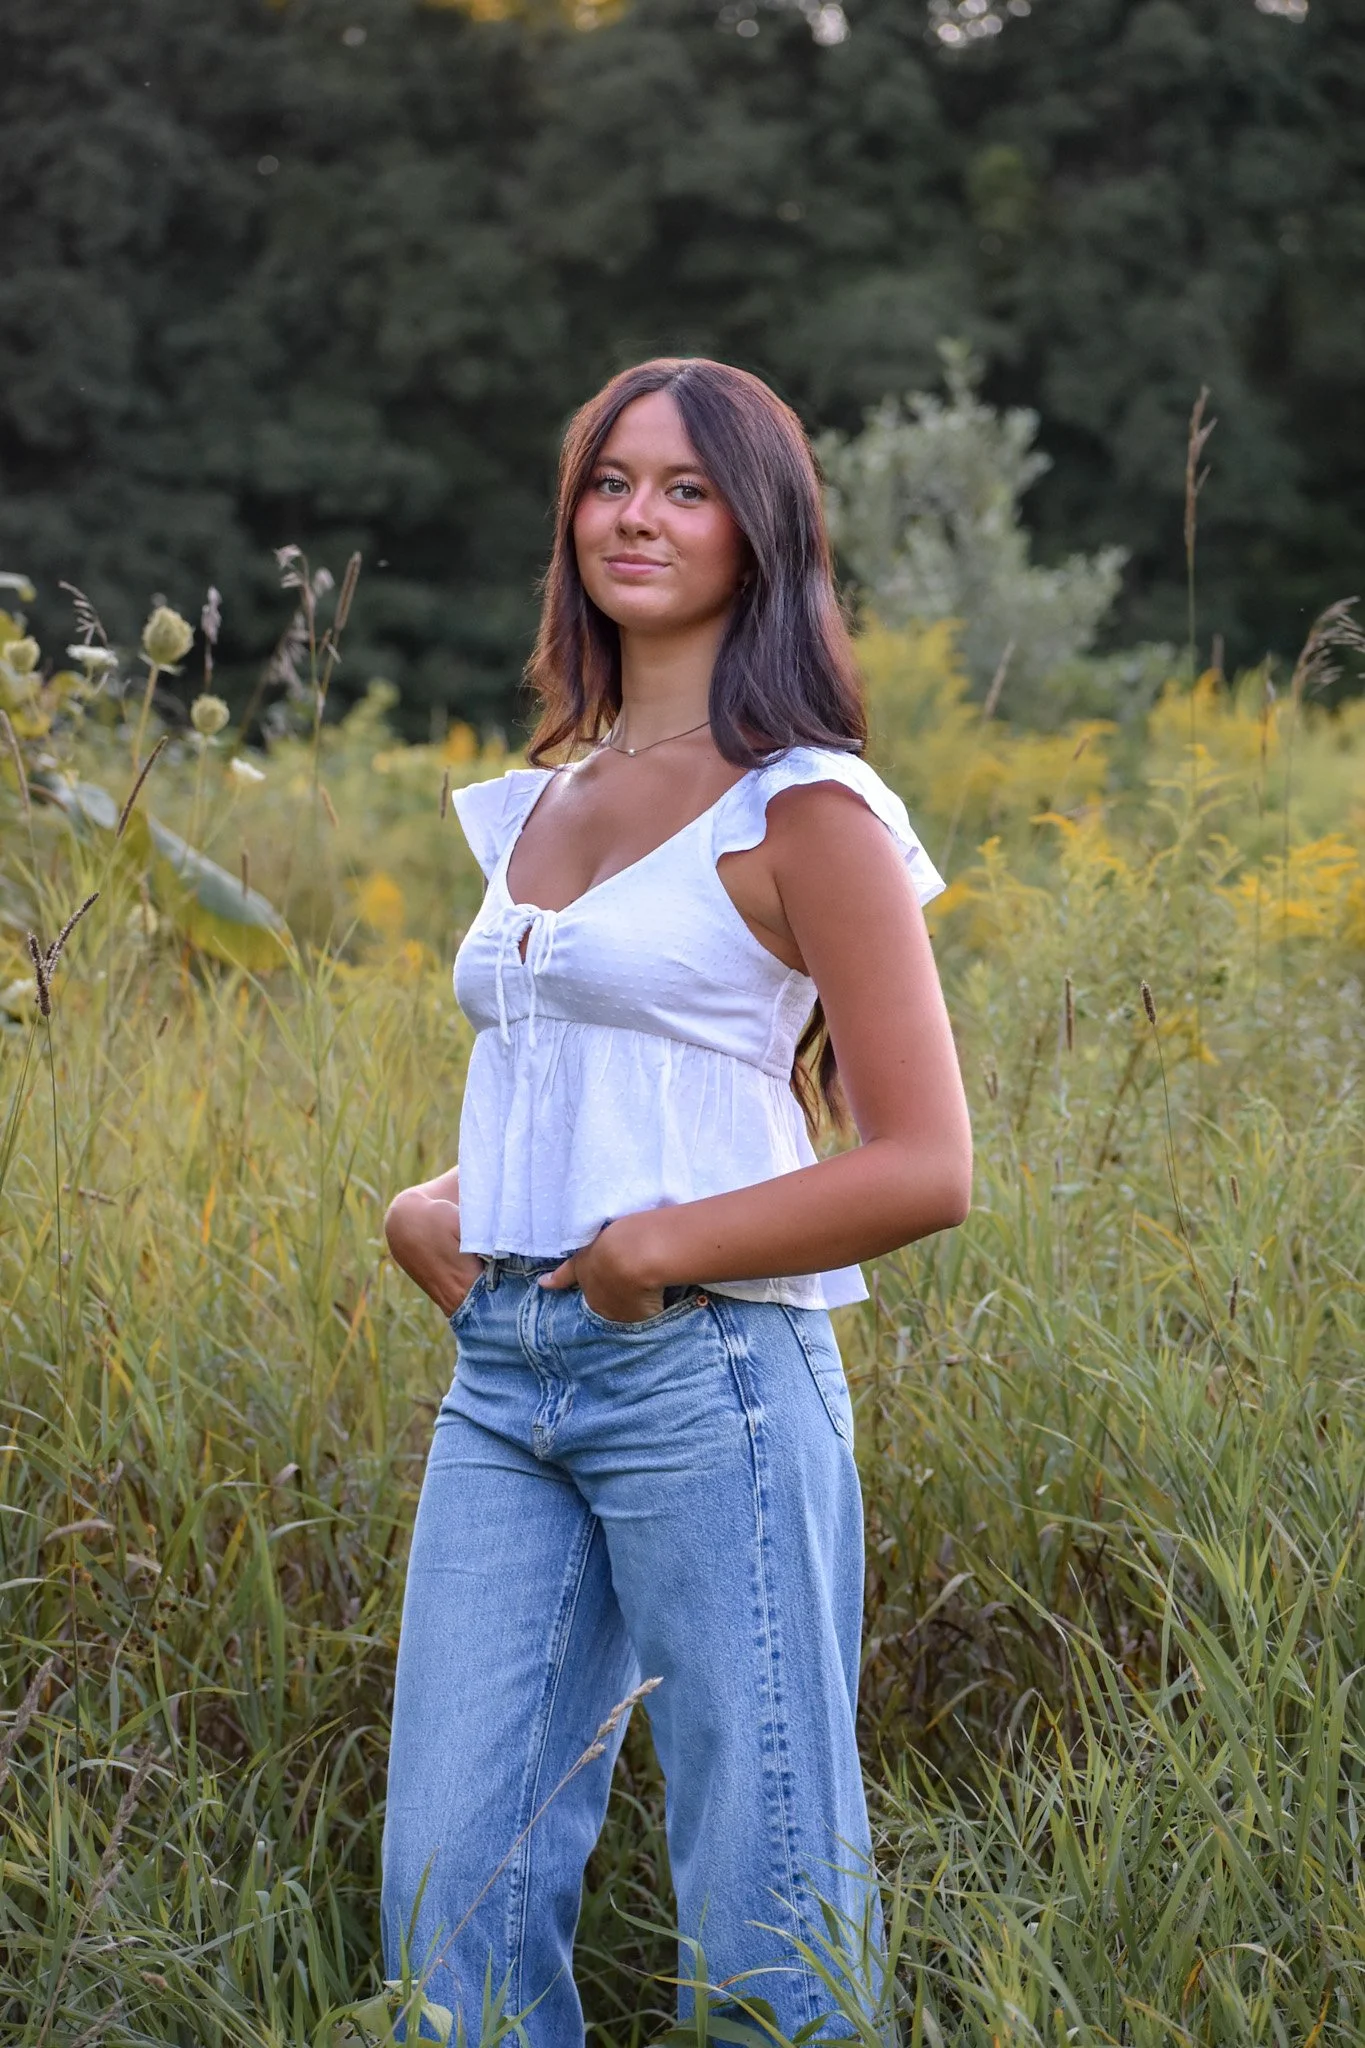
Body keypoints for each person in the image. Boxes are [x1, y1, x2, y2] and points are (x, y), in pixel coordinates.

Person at [380, 356, 972, 2044]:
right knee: (450, 1894)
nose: (639, 514)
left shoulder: (807, 805)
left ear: (758, 529)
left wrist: (649, 1252)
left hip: (710, 1374)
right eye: (612, 479)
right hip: (503, 1375)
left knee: (767, 1892)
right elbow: (601, 1069)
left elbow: (927, 1165)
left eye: (688, 487)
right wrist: (444, 1203)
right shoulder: (544, 798)